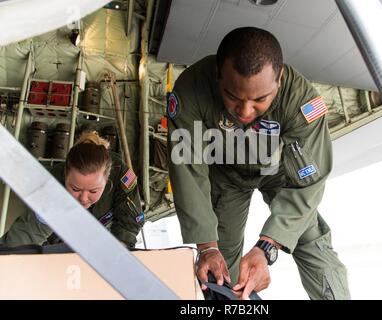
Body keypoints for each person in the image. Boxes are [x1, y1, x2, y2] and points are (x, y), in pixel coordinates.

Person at [168, 27, 350, 299]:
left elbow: (308, 183)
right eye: (233, 96)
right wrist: (207, 247)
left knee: (312, 242)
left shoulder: (302, 102)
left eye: (260, 100)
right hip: (226, 176)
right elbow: (187, 170)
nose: (245, 111)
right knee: (218, 269)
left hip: (278, 174)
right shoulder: (191, 89)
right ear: (218, 74)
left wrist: (267, 247)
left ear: (279, 79)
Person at [0, 131, 144, 248]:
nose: (83, 198)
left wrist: (120, 251)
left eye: (93, 191)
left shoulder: (120, 174)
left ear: (108, 180)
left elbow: (129, 222)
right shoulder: (52, 184)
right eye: (75, 188)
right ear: (65, 175)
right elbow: (29, 232)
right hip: (59, 251)